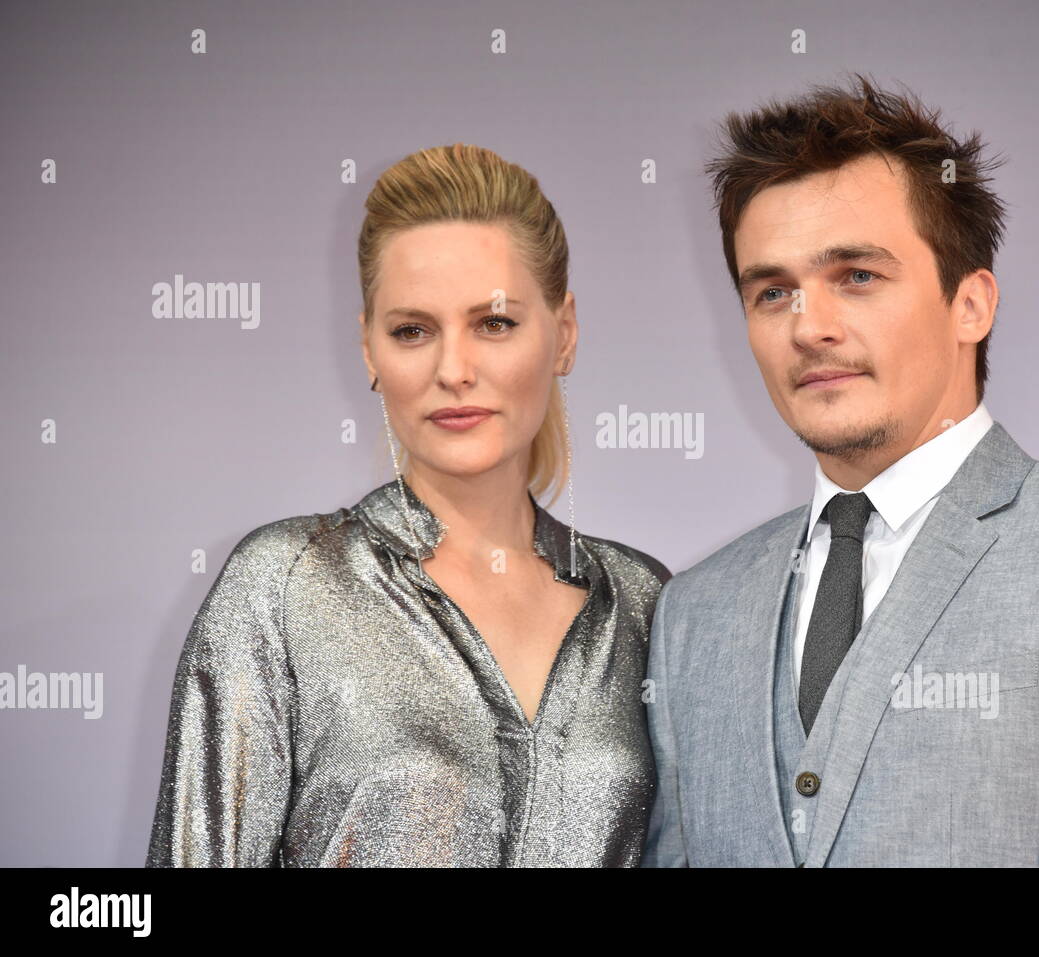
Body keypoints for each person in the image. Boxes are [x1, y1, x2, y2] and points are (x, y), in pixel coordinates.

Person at [641, 74, 1039, 867]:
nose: (811, 327)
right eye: (773, 292)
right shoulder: (694, 611)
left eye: (857, 277)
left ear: (971, 304)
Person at [147, 144, 671, 867]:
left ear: (564, 333)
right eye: (412, 331)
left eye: (494, 323)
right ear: (369, 349)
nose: (454, 370)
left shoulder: (644, 602)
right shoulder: (284, 586)